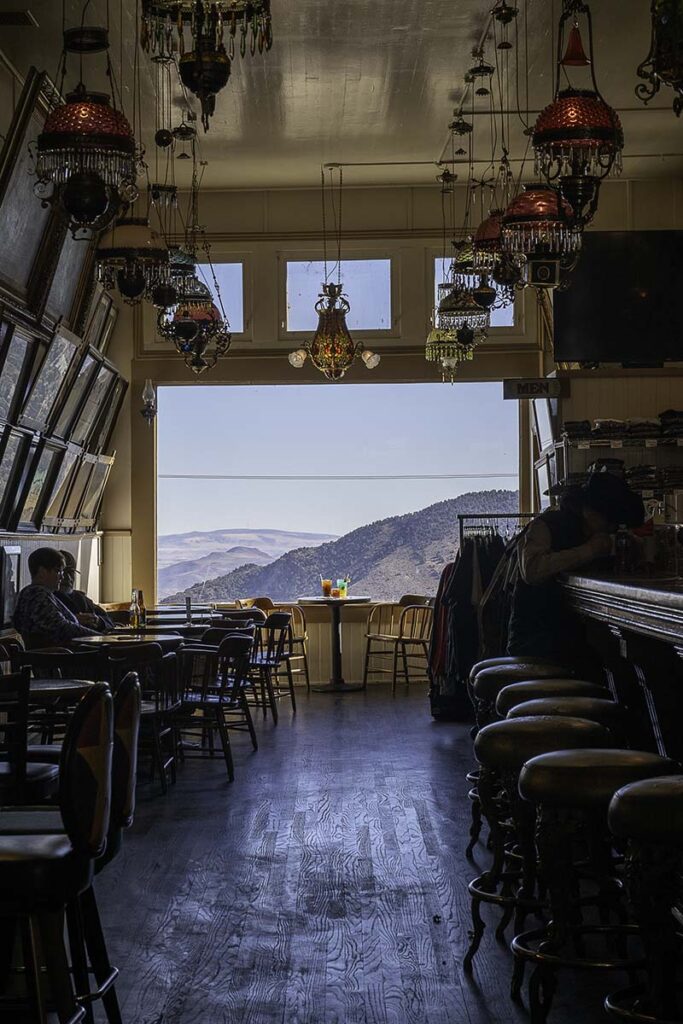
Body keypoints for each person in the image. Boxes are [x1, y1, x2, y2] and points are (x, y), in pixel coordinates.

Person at [507, 473, 644, 663]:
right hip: (536, 643)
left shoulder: (598, 534)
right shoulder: (546, 526)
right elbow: (532, 571)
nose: (611, 527)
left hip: (574, 642)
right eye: (609, 520)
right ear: (588, 511)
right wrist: (590, 550)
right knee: (613, 662)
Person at [13, 547, 100, 649]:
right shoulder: (37, 595)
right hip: (58, 658)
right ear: (42, 572)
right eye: (58, 571)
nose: (62, 577)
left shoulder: (35, 593)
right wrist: (98, 637)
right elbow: (61, 628)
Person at [55, 550, 115, 633]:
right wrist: (75, 620)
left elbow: (109, 621)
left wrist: (97, 621)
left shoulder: (81, 598)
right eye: (63, 572)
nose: (68, 578)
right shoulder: (48, 599)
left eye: (71, 572)